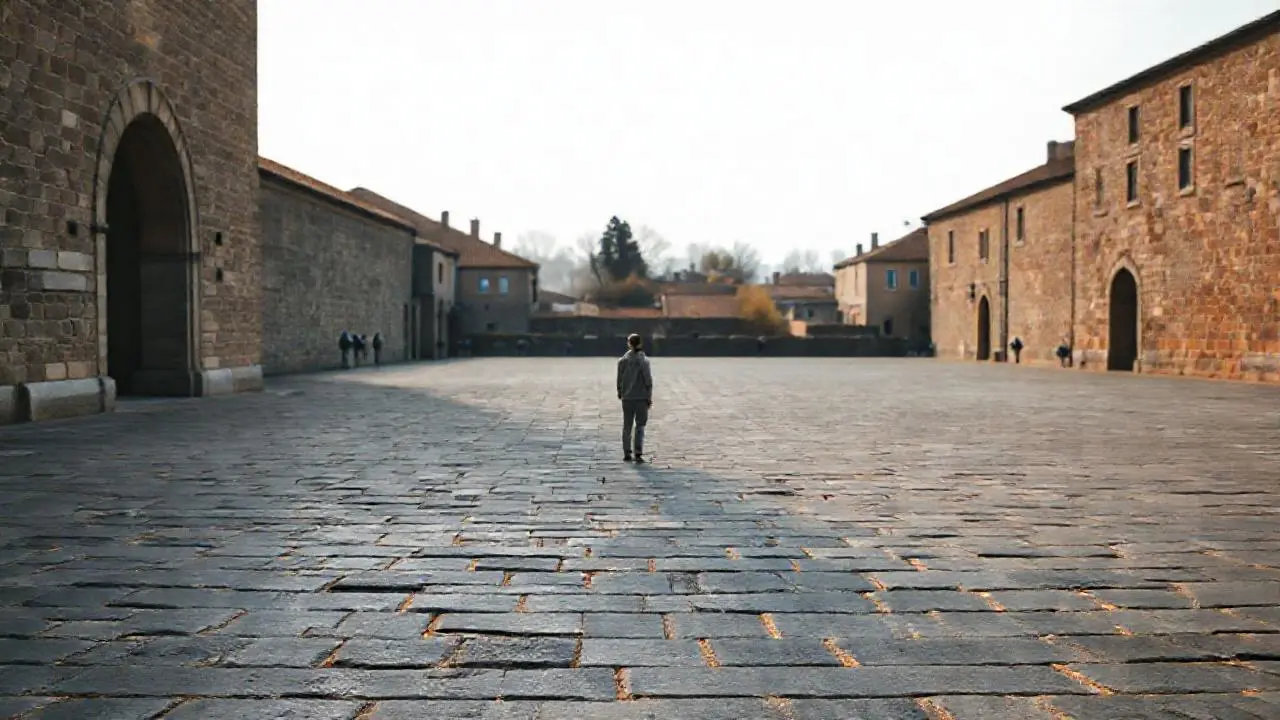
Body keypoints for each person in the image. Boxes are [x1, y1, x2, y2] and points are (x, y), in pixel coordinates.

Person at [616, 333, 653, 463]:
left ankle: (626, 452)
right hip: (641, 397)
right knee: (640, 426)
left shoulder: (622, 361)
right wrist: (649, 396)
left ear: (629, 343)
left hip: (627, 397)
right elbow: (648, 380)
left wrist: (620, 392)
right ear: (640, 343)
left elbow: (619, 379)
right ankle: (638, 452)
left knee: (627, 425)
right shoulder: (644, 361)